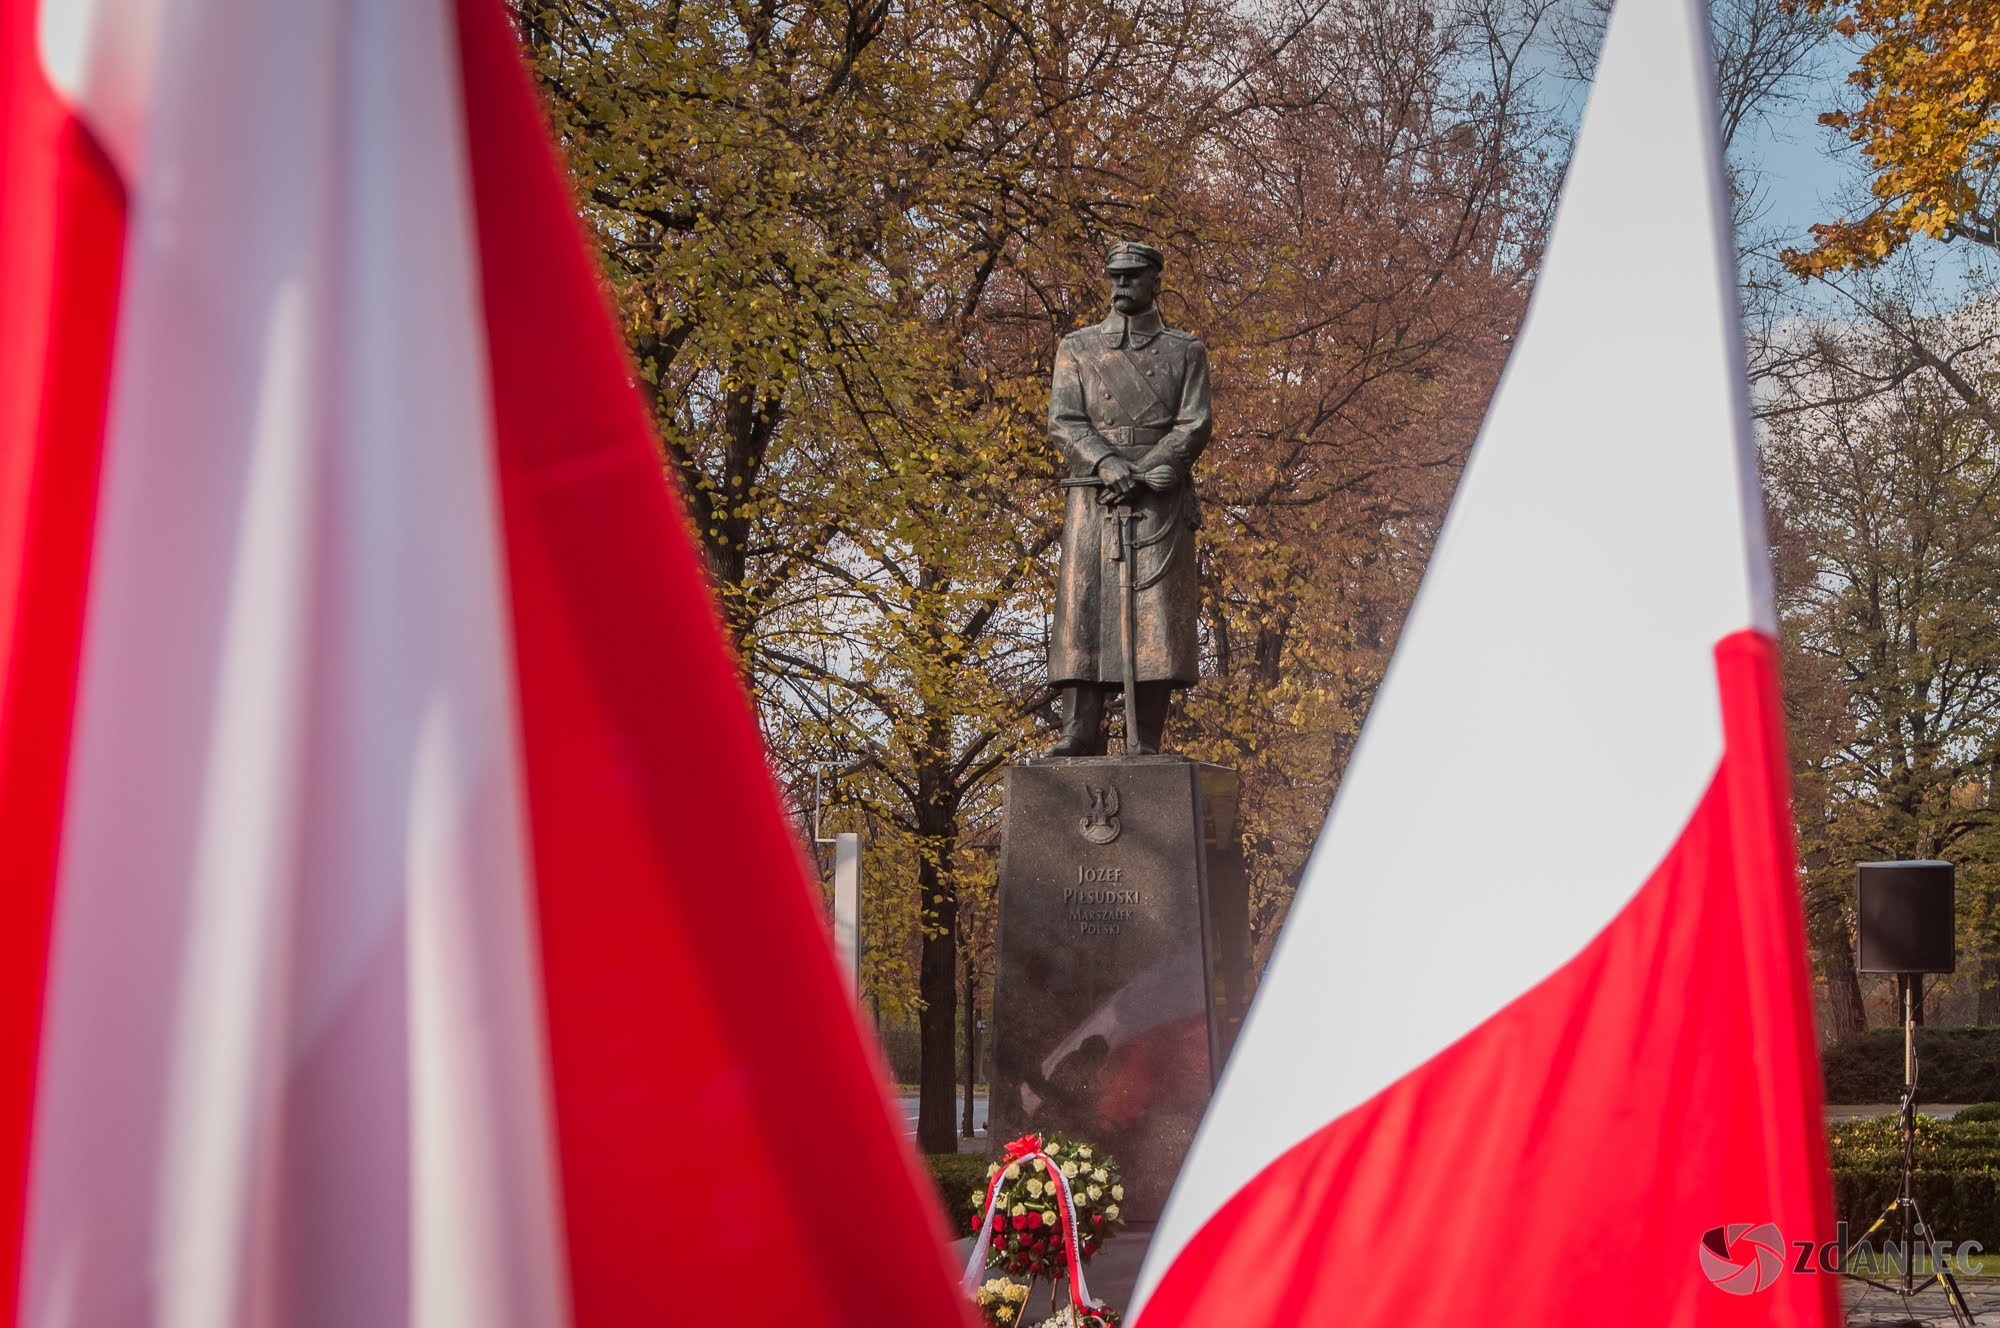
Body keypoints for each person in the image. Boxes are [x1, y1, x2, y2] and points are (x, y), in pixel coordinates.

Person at [1046, 241, 1212, 756]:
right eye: (1115, 277)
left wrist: (1146, 469)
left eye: (1133, 277)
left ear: (1155, 281)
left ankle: (1146, 734)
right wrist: (1104, 462)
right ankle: (1080, 728)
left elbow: (1194, 422)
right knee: (1085, 606)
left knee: (1155, 614)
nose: (1121, 286)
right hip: (1095, 496)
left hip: (1157, 496)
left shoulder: (1186, 350)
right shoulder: (1079, 348)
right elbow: (1064, 420)